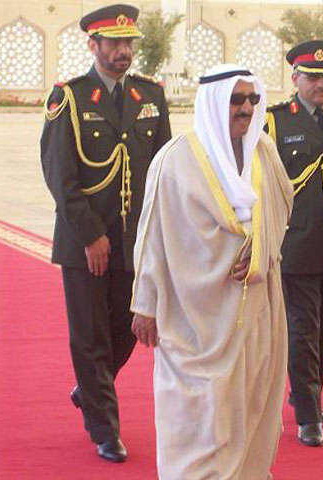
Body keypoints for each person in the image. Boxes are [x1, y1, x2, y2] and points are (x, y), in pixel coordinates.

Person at [131, 65, 293, 478]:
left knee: (251, 401)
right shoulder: (175, 160)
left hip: (256, 307)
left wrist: (259, 246)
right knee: (200, 413)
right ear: (215, 102)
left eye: (252, 99)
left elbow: (283, 208)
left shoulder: (264, 153)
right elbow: (152, 235)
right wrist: (145, 304)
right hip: (194, 315)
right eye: (237, 100)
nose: (246, 108)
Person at [40, 4, 171, 462]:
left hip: (134, 239)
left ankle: (89, 387)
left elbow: (163, 169)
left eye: (128, 42)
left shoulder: (150, 96)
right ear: (92, 45)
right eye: (113, 43)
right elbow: (60, 176)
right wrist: (91, 235)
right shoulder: (70, 98)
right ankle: (105, 429)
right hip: (84, 242)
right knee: (90, 335)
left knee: (129, 326)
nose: (123, 51)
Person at [264, 39, 323, 447]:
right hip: (297, 243)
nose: (322, 85)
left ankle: (308, 391)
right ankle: (307, 413)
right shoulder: (275, 122)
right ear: (295, 78)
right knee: (303, 328)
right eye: (313, 78)